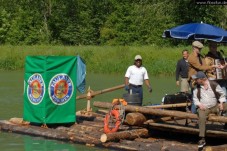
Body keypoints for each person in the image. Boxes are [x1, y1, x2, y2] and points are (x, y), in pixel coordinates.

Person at [191, 71, 227, 149]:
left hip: (215, 106)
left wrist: (221, 102)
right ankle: (202, 138)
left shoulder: (213, 84)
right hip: (204, 108)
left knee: (226, 105)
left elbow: (222, 94)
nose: (195, 80)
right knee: (201, 116)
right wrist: (199, 105)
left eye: (197, 79)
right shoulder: (196, 88)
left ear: (202, 79)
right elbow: (195, 99)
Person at [188, 41, 220, 113]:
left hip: (201, 80)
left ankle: (201, 113)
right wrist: (212, 66)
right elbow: (200, 67)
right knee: (195, 97)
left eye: (200, 49)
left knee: (201, 97)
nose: (200, 50)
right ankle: (193, 115)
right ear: (194, 48)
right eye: (198, 49)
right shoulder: (191, 57)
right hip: (194, 80)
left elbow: (205, 66)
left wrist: (212, 69)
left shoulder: (200, 56)